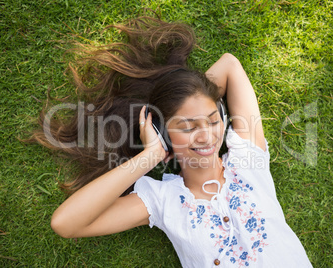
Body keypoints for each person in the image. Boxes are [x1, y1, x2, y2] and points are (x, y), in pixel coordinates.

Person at [33, 17, 312, 267]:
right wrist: (150, 155)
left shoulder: (248, 158)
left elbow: (230, 65)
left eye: (214, 120)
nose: (206, 136)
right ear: (163, 133)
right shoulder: (162, 201)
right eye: (188, 127)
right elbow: (65, 223)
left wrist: (193, 92)